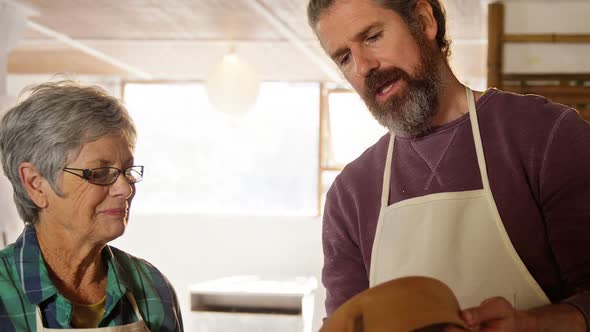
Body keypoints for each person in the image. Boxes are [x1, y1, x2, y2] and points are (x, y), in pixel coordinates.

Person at [307, 0, 590, 331]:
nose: (363, 66)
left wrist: (533, 324)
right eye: (344, 57)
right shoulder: (350, 194)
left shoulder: (545, 137)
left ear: (424, 20)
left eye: (372, 36)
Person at [0, 81, 183, 331]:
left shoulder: (152, 286)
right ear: (36, 184)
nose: (126, 188)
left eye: (127, 171)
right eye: (100, 173)